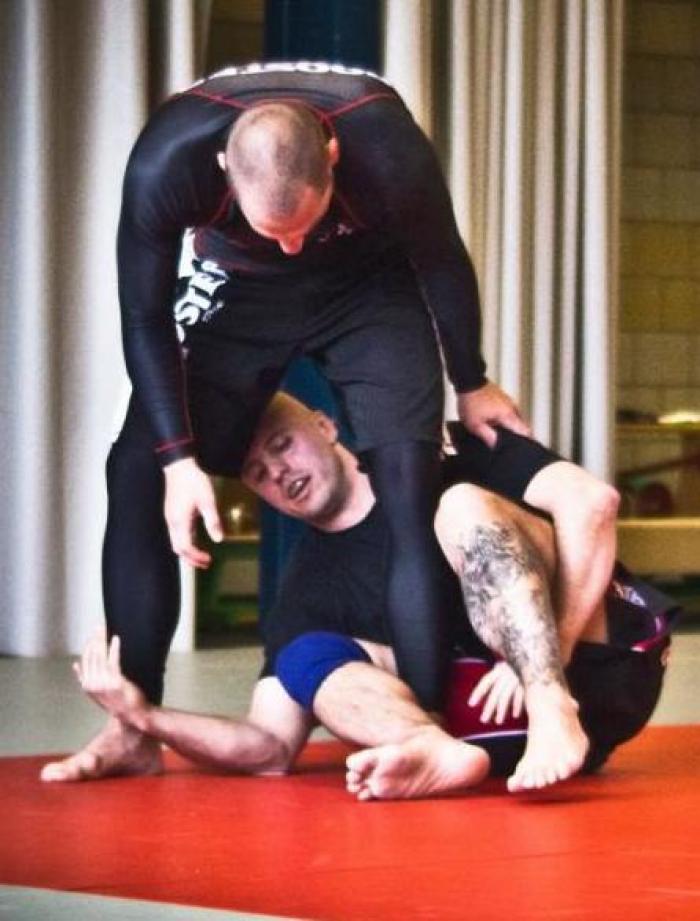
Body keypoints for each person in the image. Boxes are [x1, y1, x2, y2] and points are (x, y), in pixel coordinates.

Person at [82, 60, 530, 780]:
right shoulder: (169, 161)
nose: (291, 245)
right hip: (239, 287)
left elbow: (442, 259)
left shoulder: (384, 142)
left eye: (303, 224)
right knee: (136, 469)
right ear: (224, 170)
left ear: (333, 156)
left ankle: (420, 734)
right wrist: (178, 459)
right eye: (276, 229)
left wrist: (472, 381)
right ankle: (131, 730)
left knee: (409, 481)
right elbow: (145, 316)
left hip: (366, 287)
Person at [45, 395, 678, 796]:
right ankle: (429, 749)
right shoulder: (303, 586)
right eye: (259, 473)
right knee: (304, 655)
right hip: (489, 728)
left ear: (325, 425)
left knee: (460, 506)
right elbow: (269, 747)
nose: (279, 471)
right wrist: (144, 718)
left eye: (282, 444)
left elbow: (593, 503)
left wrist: (547, 656)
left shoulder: (438, 445)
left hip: (599, 661)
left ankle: (549, 700)